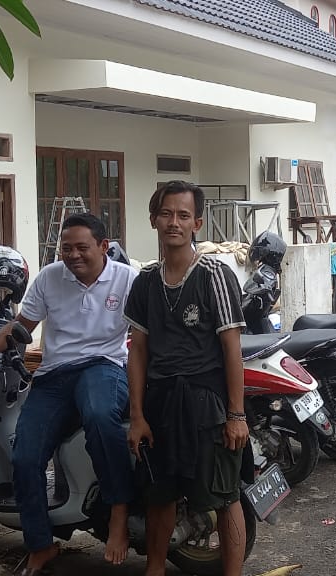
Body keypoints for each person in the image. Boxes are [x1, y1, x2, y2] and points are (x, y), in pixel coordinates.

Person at [0, 213, 137, 575]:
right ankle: (41, 544)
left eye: (82, 247)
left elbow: (147, 333)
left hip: (104, 366)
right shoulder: (49, 277)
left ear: (103, 247)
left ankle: (119, 513)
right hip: (54, 375)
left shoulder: (127, 279)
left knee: (100, 416)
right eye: (66, 248)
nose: (73, 255)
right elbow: (20, 326)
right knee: (25, 456)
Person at [124, 181, 250, 576]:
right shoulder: (145, 281)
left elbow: (232, 349)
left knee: (224, 496)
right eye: (166, 214)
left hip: (206, 404)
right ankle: (155, 569)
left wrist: (236, 415)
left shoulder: (214, 275)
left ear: (197, 223)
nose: (173, 222)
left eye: (183, 215)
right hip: (161, 403)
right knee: (159, 494)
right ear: (153, 220)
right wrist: (137, 415)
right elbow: (137, 351)